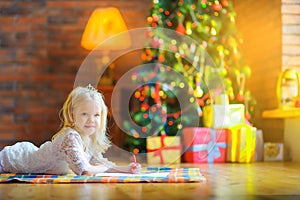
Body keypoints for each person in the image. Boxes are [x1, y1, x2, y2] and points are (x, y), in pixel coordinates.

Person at [0, 84, 141, 175]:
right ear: (73, 115)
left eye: (96, 115)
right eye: (84, 114)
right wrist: (100, 168)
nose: (91, 120)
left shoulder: (88, 137)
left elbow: (101, 163)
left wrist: (127, 169)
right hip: (14, 159)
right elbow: (84, 170)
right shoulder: (71, 137)